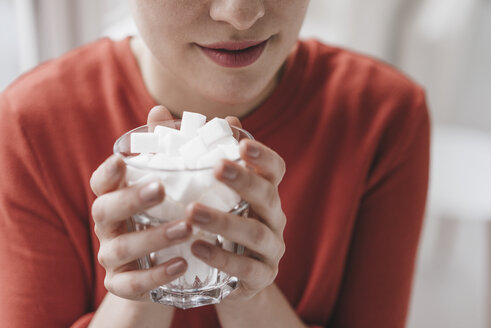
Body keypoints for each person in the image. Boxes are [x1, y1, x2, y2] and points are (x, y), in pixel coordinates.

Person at [0, 1, 430, 327]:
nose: (241, 13)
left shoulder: (383, 116)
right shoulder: (31, 124)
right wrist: (138, 290)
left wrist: (250, 293)